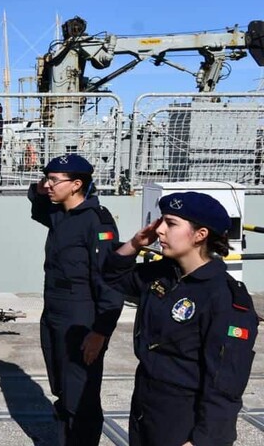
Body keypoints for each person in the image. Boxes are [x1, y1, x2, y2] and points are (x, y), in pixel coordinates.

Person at [104, 191, 257, 445]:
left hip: (184, 418)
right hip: (146, 407)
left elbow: (225, 384)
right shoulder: (163, 275)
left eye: (171, 223)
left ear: (200, 235)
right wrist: (134, 244)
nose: (160, 230)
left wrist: (201, 441)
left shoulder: (224, 298)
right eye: (161, 221)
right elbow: (113, 277)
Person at [28, 153, 124, 446]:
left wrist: (100, 332)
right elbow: (36, 199)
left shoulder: (97, 223)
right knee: (61, 385)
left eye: (55, 181)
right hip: (54, 311)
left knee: (80, 395)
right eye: (48, 179)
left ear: (76, 184)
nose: (48, 185)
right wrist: (41, 185)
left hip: (81, 316)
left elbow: (110, 283)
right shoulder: (60, 214)